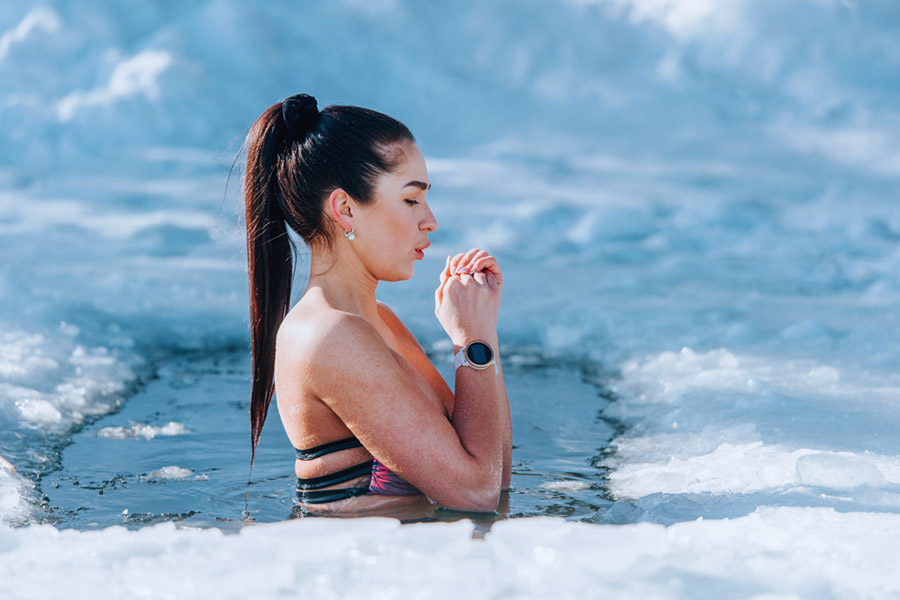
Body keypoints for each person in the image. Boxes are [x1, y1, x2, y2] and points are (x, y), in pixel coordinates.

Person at [243, 93, 511, 514]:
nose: (431, 220)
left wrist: (482, 334)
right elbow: (477, 493)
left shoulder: (380, 321)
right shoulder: (328, 335)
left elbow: (495, 474)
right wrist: (471, 342)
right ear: (345, 209)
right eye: (411, 199)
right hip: (357, 574)